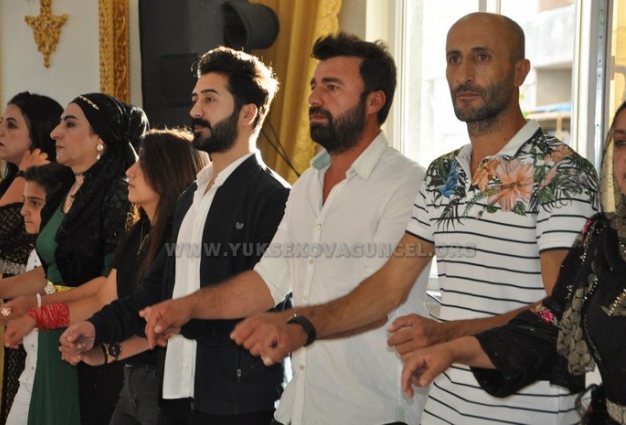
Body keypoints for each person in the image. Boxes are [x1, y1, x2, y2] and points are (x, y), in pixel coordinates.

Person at [143, 14, 601, 425]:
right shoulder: (444, 174)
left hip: (523, 410)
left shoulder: (561, 172)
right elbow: (385, 286)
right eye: (453, 59)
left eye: (481, 57)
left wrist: (447, 334)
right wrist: (191, 307)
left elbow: (563, 310)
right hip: (439, 407)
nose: (464, 73)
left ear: (520, 71)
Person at [116, 32, 431, 425]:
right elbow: (267, 281)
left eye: (332, 87)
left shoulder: (408, 183)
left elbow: (384, 293)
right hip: (300, 406)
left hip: (373, 408)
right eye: (314, 86)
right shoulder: (307, 186)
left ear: (374, 101)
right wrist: (186, 307)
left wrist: (298, 326)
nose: (314, 98)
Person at [61, 47, 290, 425]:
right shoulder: (191, 195)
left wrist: (184, 313)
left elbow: (265, 296)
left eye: (210, 100)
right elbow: (155, 291)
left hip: (238, 401)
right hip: (177, 392)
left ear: (247, 113)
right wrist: (96, 329)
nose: (195, 111)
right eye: (195, 99)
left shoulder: (274, 197)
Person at [401, 99, 626, 425]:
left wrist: (449, 336)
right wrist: (453, 348)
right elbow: (553, 322)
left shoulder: (562, 171)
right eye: (622, 142)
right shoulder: (604, 241)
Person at [3, 128, 209, 425]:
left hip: (166, 386)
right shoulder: (138, 232)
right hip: (130, 378)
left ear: (168, 172)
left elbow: (163, 325)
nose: (130, 171)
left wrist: (104, 349)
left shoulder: (180, 242)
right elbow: (102, 298)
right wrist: (39, 316)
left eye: (143, 164)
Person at [0, 92, 149, 425]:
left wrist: (39, 309)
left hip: (86, 335)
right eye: (59, 123)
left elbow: (109, 285)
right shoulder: (64, 189)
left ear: (100, 139)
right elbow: (48, 273)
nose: (55, 133)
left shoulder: (117, 193)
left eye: (70, 124)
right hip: (50, 330)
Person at [0, 91, 62, 425]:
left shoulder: (45, 184)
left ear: (38, 136)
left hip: (26, 299)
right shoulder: (8, 181)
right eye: (1, 122)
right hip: (4, 298)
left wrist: (23, 177)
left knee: (14, 391)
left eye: (12, 125)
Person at [4, 162, 71, 425]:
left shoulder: (66, 256)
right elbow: (12, 312)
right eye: (24, 201)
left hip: (54, 378)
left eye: (35, 203)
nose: (23, 211)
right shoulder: (36, 253)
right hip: (30, 377)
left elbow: (44, 297)